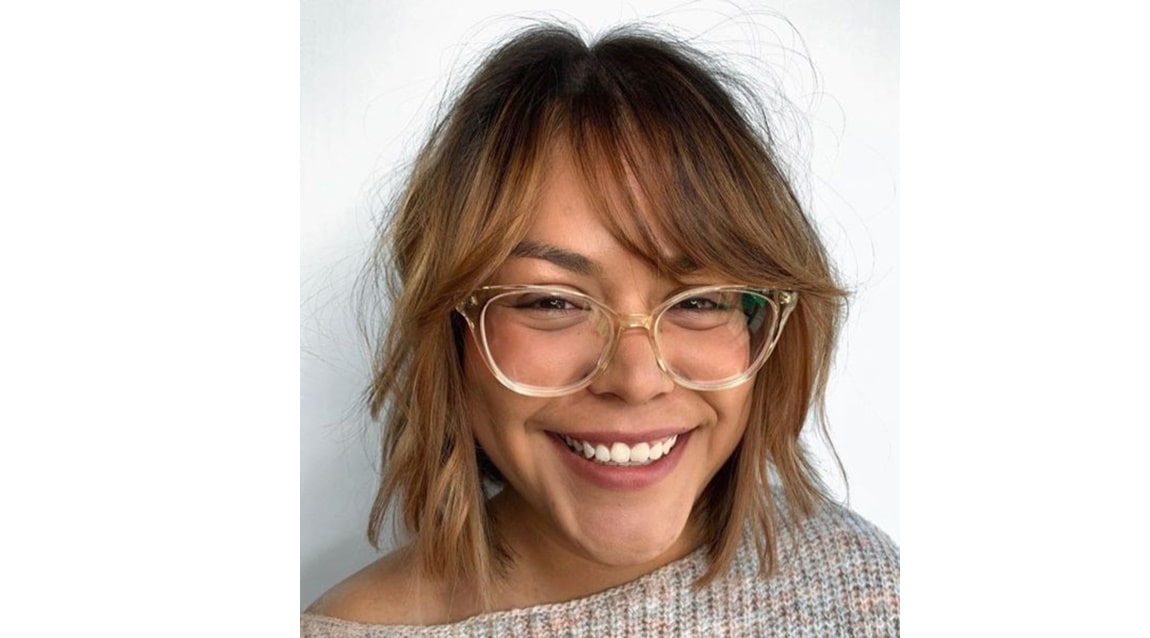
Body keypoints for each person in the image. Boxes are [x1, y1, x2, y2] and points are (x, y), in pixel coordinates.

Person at [302, 22, 899, 636]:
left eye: (700, 302)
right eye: (552, 303)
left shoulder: (872, 595)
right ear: (451, 335)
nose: (637, 380)